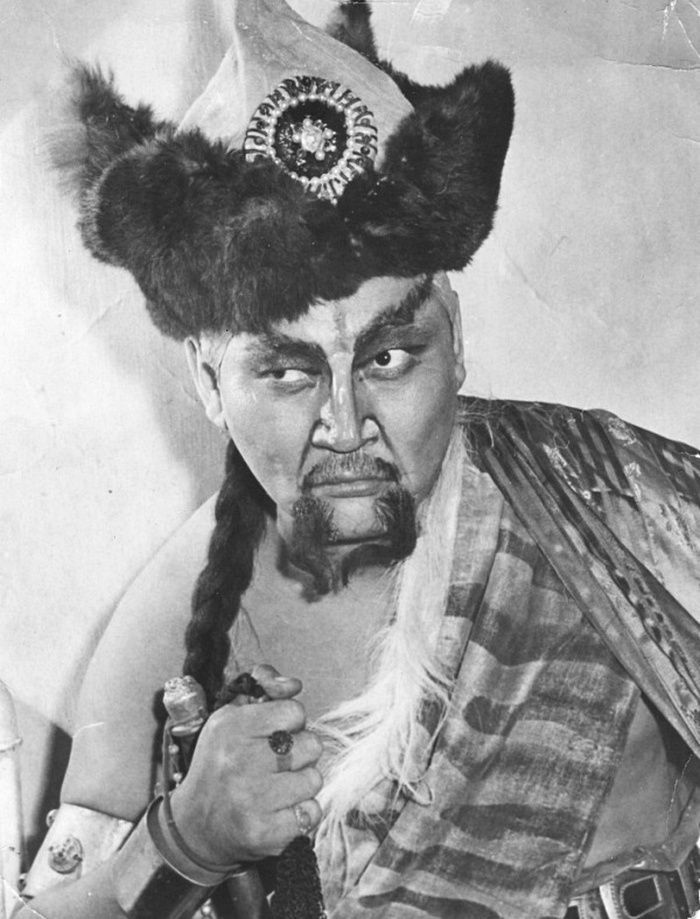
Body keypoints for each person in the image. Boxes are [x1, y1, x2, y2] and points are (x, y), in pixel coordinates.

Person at [13, 0, 700, 917]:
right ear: (210, 381)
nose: (344, 424)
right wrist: (182, 842)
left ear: (453, 339)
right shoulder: (167, 631)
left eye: (387, 358)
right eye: (288, 373)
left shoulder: (605, 499)